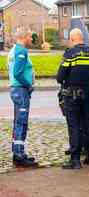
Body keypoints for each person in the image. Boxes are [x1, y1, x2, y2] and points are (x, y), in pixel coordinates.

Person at [56, 28, 89, 169]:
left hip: (73, 94)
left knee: (74, 125)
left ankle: (75, 160)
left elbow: (60, 77)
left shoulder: (70, 54)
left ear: (72, 39)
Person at [8, 27, 37, 167]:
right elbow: (18, 73)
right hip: (21, 91)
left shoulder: (14, 50)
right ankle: (19, 155)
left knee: (18, 122)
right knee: (21, 123)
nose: (31, 39)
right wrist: (29, 85)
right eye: (30, 36)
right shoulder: (21, 51)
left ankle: (17, 153)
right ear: (24, 36)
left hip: (16, 91)